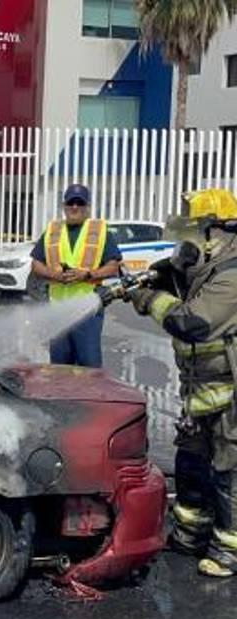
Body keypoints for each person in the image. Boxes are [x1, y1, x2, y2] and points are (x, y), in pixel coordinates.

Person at [117, 189, 237, 577]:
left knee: (228, 470)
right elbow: (174, 276)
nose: (181, 243)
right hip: (200, 389)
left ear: (216, 233)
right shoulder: (200, 269)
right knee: (191, 464)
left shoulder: (231, 277)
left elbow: (192, 323)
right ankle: (190, 534)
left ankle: (229, 549)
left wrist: (149, 298)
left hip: (232, 391)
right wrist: (152, 277)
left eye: (190, 232)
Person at [29, 184, 123, 367]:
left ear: (87, 207)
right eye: (71, 202)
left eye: (79, 203)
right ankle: (64, 396)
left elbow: (113, 266)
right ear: (64, 206)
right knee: (60, 365)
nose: (74, 207)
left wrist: (88, 274)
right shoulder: (52, 230)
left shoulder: (99, 231)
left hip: (87, 310)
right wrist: (53, 275)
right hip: (58, 310)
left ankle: (89, 396)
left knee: (89, 364)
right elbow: (36, 264)